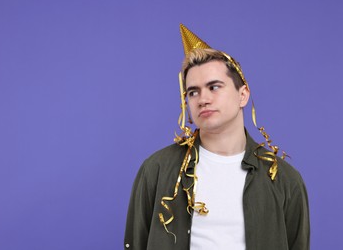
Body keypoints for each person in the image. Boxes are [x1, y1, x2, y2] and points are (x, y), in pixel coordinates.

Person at [124, 24, 310, 250]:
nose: (203, 99)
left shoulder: (284, 180)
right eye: (193, 92)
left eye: (214, 87)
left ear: (243, 95)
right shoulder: (157, 170)